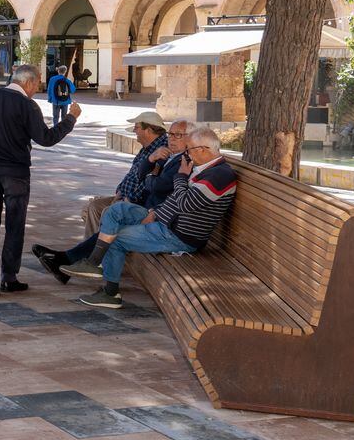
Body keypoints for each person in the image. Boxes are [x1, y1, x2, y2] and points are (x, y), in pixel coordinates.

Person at [59, 126, 237, 309]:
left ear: (202, 150)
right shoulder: (204, 168)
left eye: (189, 149)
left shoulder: (220, 175)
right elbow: (176, 200)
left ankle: (110, 294)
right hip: (164, 220)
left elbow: (185, 204)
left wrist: (181, 177)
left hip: (178, 236)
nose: (187, 153)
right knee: (116, 210)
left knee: (116, 238)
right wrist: (156, 212)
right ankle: (93, 263)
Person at [0, 63, 81, 294]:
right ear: (28, 82)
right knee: (14, 226)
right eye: (37, 84)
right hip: (16, 174)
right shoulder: (27, 105)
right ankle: (9, 277)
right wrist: (70, 119)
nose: (37, 89)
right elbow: (46, 138)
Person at [33, 117, 192, 283]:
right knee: (106, 212)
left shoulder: (183, 161)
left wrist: (149, 178)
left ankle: (80, 264)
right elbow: (140, 174)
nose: (171, 138)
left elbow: (157, 185)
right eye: (171, 134)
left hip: (155, 214)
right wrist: (152, 160)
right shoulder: (167, 155)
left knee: (114, 223)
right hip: (147, 207)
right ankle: (75, 261)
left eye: (178, 135)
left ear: (190, 138)